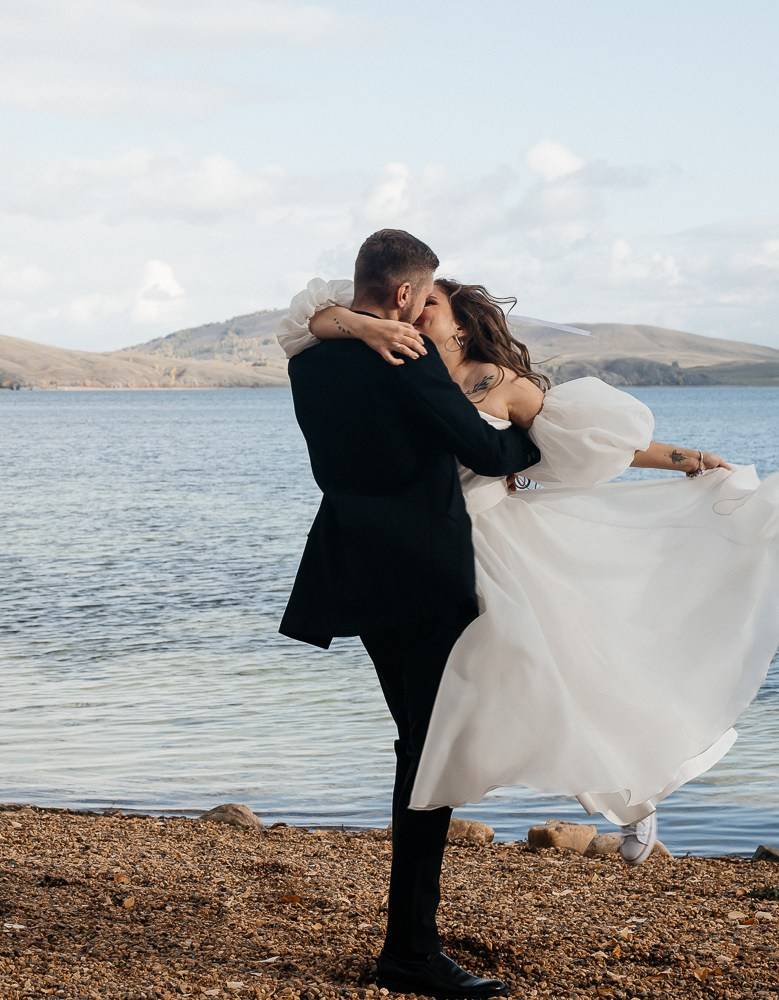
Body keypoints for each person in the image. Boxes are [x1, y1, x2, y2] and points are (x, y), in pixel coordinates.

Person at [280, 275, 779, 867]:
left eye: (433, 303)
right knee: (500, 696)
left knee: (556, 673)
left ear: (461, 324)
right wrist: (365, 324)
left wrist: (689, 460)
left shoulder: (499, 382)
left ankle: (630, 792)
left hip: (496, 541)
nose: (419, 310)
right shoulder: (393, 359)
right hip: (424, 552)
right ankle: (441, 805)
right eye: (417, 300)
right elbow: (307, 320)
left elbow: (596, 443)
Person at [280, 230, 540, 1000]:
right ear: (403, 294)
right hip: (425, 580)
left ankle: (412, 943)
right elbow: (485, 454)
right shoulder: (408, 358)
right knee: (431, 756)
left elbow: (312, 326)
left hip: (357, 574)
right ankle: (411, 952)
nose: (425, 311)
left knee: (420, 747)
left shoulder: (309, 361)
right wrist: (530, 446)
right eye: (424, 297)